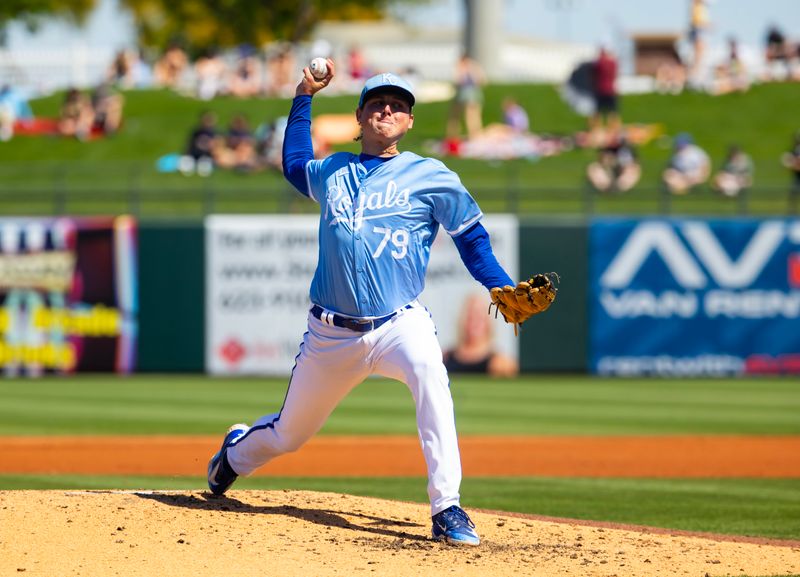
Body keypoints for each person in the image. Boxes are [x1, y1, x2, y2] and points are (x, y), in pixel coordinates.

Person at [207, 62, 522, 547]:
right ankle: (232, 456)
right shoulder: (333, 170)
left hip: (399, 321)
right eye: (377, 103)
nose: (387, 110)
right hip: (331, 333)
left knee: (430, 374)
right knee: (289, 435)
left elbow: (472, 240)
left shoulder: (431, 175)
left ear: (410, 121)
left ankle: (447, 507)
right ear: (360, 117)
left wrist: (500, 286)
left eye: (398, 105)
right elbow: (293, 166)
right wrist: (303, 96)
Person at [443, 293, 518, 377]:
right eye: (470, 317)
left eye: (480, 317)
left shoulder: (500, 364)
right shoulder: (444, 358)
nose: (475, 322)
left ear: (488, 322)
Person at [447, 53, 486, 139]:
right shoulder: (474, 66)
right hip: (475, 92)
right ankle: (475, 135)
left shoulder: (462, 66)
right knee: (474, 115)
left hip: (465, 92)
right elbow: (482, 80)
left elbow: (457, 80)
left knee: (461, 116)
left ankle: (454, 135)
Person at [589, 46, 620, 141]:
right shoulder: (613, 63)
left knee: (597, 113)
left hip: (600, 90)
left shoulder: (599, 63)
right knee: (613, 112)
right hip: (611, 90)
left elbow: (593, 73)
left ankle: (596, 132)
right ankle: (614, 132)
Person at [782, 131, 800, 213]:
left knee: (793, 193)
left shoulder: (796, 151)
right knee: (793, 194)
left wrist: (793, 165)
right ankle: (791, 211)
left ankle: (791, 211)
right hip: (796, 177)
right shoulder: (793, 151)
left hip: (797, 176)